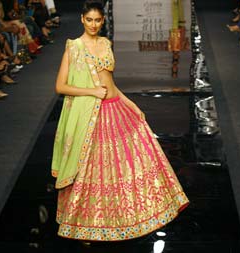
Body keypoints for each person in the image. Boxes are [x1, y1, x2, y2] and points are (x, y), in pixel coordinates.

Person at [51, 0, 189, 241]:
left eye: (97, 20)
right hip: (91, 113)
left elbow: (110, 84)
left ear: (102, 21)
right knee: (93, 168)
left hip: (115, 107)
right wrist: (92, 93)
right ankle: (89, 222)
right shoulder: (73, 47)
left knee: (125, 163)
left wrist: (130, 103)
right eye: (89, 20)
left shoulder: (105, 43)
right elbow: (60, 86)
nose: (93, 24)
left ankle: (125, 217)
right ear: (82, 20)